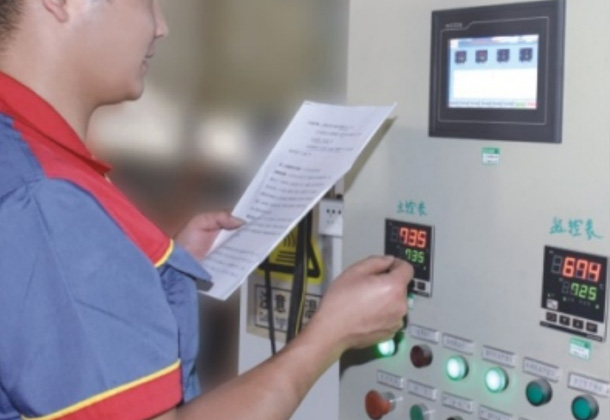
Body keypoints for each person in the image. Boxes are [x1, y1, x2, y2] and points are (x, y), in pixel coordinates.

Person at [0, 1, 413, 420]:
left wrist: (149, 271)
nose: (161, 27)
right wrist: (331, 335)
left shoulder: (22, 159)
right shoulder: (45, 197)